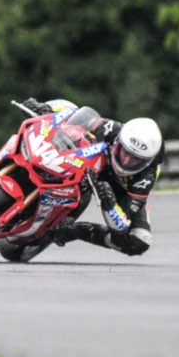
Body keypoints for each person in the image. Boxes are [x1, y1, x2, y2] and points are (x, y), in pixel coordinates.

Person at [21, 98, 164, 257]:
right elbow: (76, 113)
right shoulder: (111, 129)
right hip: (90, 163)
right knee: (74, 117)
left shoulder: (145, 178)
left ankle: (75, 231)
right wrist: (46, 108)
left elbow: (123, 223)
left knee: (139, 242)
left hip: (121, 190)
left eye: (135, 159)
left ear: (146, 162)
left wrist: (109, 206)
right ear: (119, 142)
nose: (127, 161)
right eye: (125, 153)